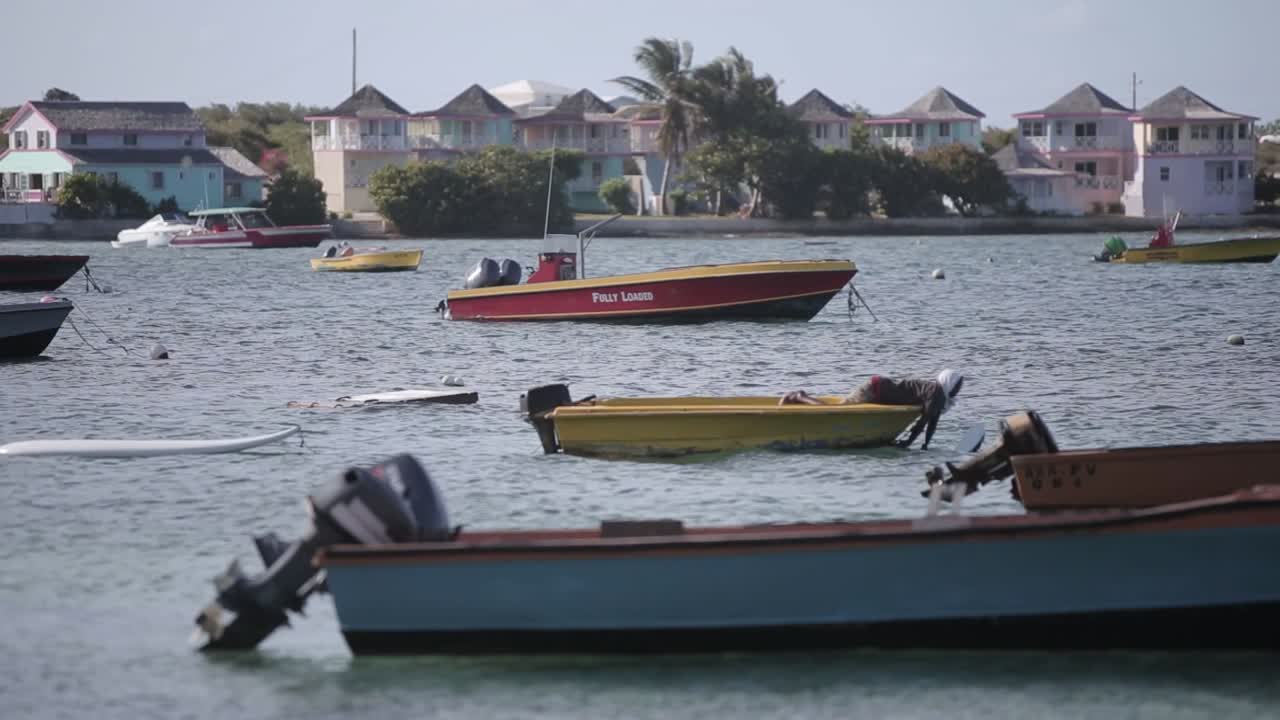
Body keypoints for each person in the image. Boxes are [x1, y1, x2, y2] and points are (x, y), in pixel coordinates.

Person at [780, 369, 965, 451]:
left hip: (878, 387)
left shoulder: (936, 393)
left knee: (839, 408)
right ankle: (800, 397)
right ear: (948, 382)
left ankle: (800, 397)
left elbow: (933, 420)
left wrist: (924, 445)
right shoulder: (936, 393)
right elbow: (923, 422)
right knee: (837, 410)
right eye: (957, 386)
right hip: (874, 389)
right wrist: (909, 443)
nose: (958, 390)